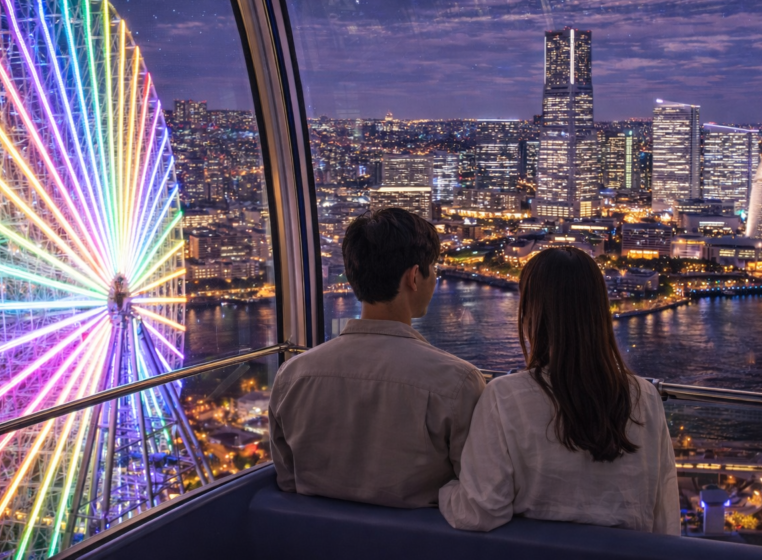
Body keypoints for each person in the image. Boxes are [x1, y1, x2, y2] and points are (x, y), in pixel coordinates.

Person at [439, 247, 680, 533]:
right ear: (599, 310)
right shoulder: (644, 396)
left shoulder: (504, 397)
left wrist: (444, 488)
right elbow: (664, 512)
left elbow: (479, 512)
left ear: (531, 312)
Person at [269, 207, 486, 508]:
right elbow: (475, 490)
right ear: (413, 277)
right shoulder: (456, 382)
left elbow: (288, 482)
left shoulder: (292, 375)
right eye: (432, 268)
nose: (435, 277)